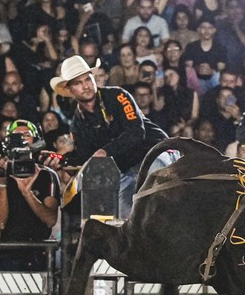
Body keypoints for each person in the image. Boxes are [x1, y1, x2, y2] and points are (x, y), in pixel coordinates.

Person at [52, 55, 168, 217]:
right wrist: (60, 158)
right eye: (78, 83)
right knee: (122, 214)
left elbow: (135, 133)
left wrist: (105, 151)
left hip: (156, 151)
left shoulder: (118, 96)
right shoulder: (77, 123)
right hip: (127, 170)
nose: (86, 86)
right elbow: (85, 157)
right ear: (69, 90)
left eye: (88, 79)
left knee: (158, 185)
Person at [0, 123, 60, 295]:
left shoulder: (47, 175)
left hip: (36, 254)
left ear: (35, 141)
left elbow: (50, 220)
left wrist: (27, 193)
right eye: (16, 136)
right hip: (4, 255)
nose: (22, 140)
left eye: (26, 135)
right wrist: (3, 183)